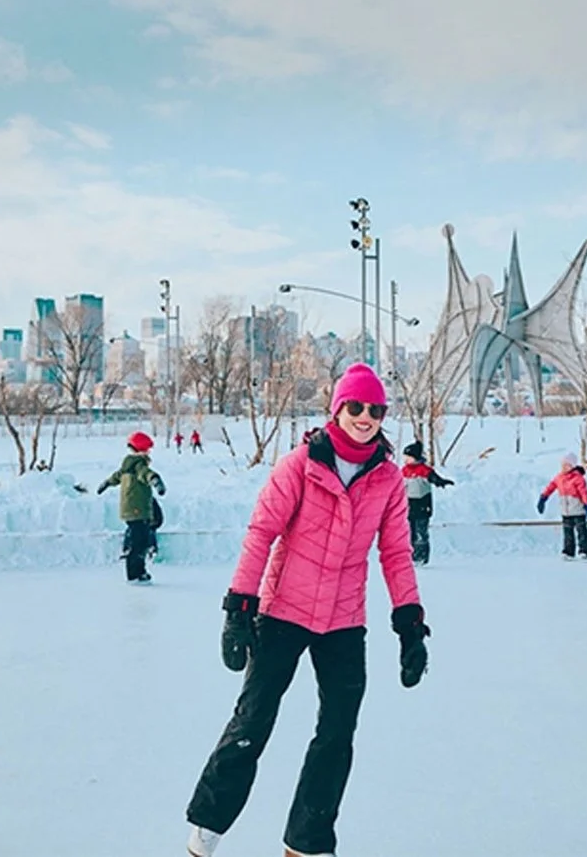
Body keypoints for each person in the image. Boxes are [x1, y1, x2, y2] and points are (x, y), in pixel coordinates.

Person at [184, 363, 428, 857]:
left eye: (375, 409)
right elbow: (261, 533)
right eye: (356, 407)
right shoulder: (300, 464)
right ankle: (207, 828)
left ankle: (307, 841)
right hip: (282, 612)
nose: (365, 417)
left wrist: (410, 626)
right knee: (253, 720)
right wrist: (238, 608)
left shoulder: (387, 479)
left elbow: (397, 554)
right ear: (337, 409)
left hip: (343, 621)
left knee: (337, 732)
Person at [98, 432, 166, 584]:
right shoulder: (139, 465)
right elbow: (146, 474)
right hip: (137, 509)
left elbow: (116, 477)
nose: (149, 452)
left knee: (143, 534)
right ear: (143, 449)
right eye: (148, 449)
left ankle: (137, 564)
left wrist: (106, 483)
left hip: (132, 507)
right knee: (139, 543)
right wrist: (156, 481)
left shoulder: (127, 466)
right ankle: (135, 574)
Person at [400, 441, 456, 566]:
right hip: (409, 505)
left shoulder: (424, 470)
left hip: (422, 505)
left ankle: (421, 557)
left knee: (421, 532)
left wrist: (440, 482)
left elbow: (433, 478)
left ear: (416, 458)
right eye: (404, 457)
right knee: (410, 532)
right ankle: (410, 556)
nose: (405, 459)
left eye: (408, 457)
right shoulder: (404, 471)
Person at [537, 453, 587, 561]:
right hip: (566, 511)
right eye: (562, 465)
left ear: (572, 466)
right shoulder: (559, 478)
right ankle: (568, 552)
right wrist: (543, 498)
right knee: (567, 533)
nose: (564, 467)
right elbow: (551, 487)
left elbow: (584, 493)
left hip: (578, 510)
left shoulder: (578, 478)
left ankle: (584, 551)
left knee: (582, 532)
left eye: (567, 465)